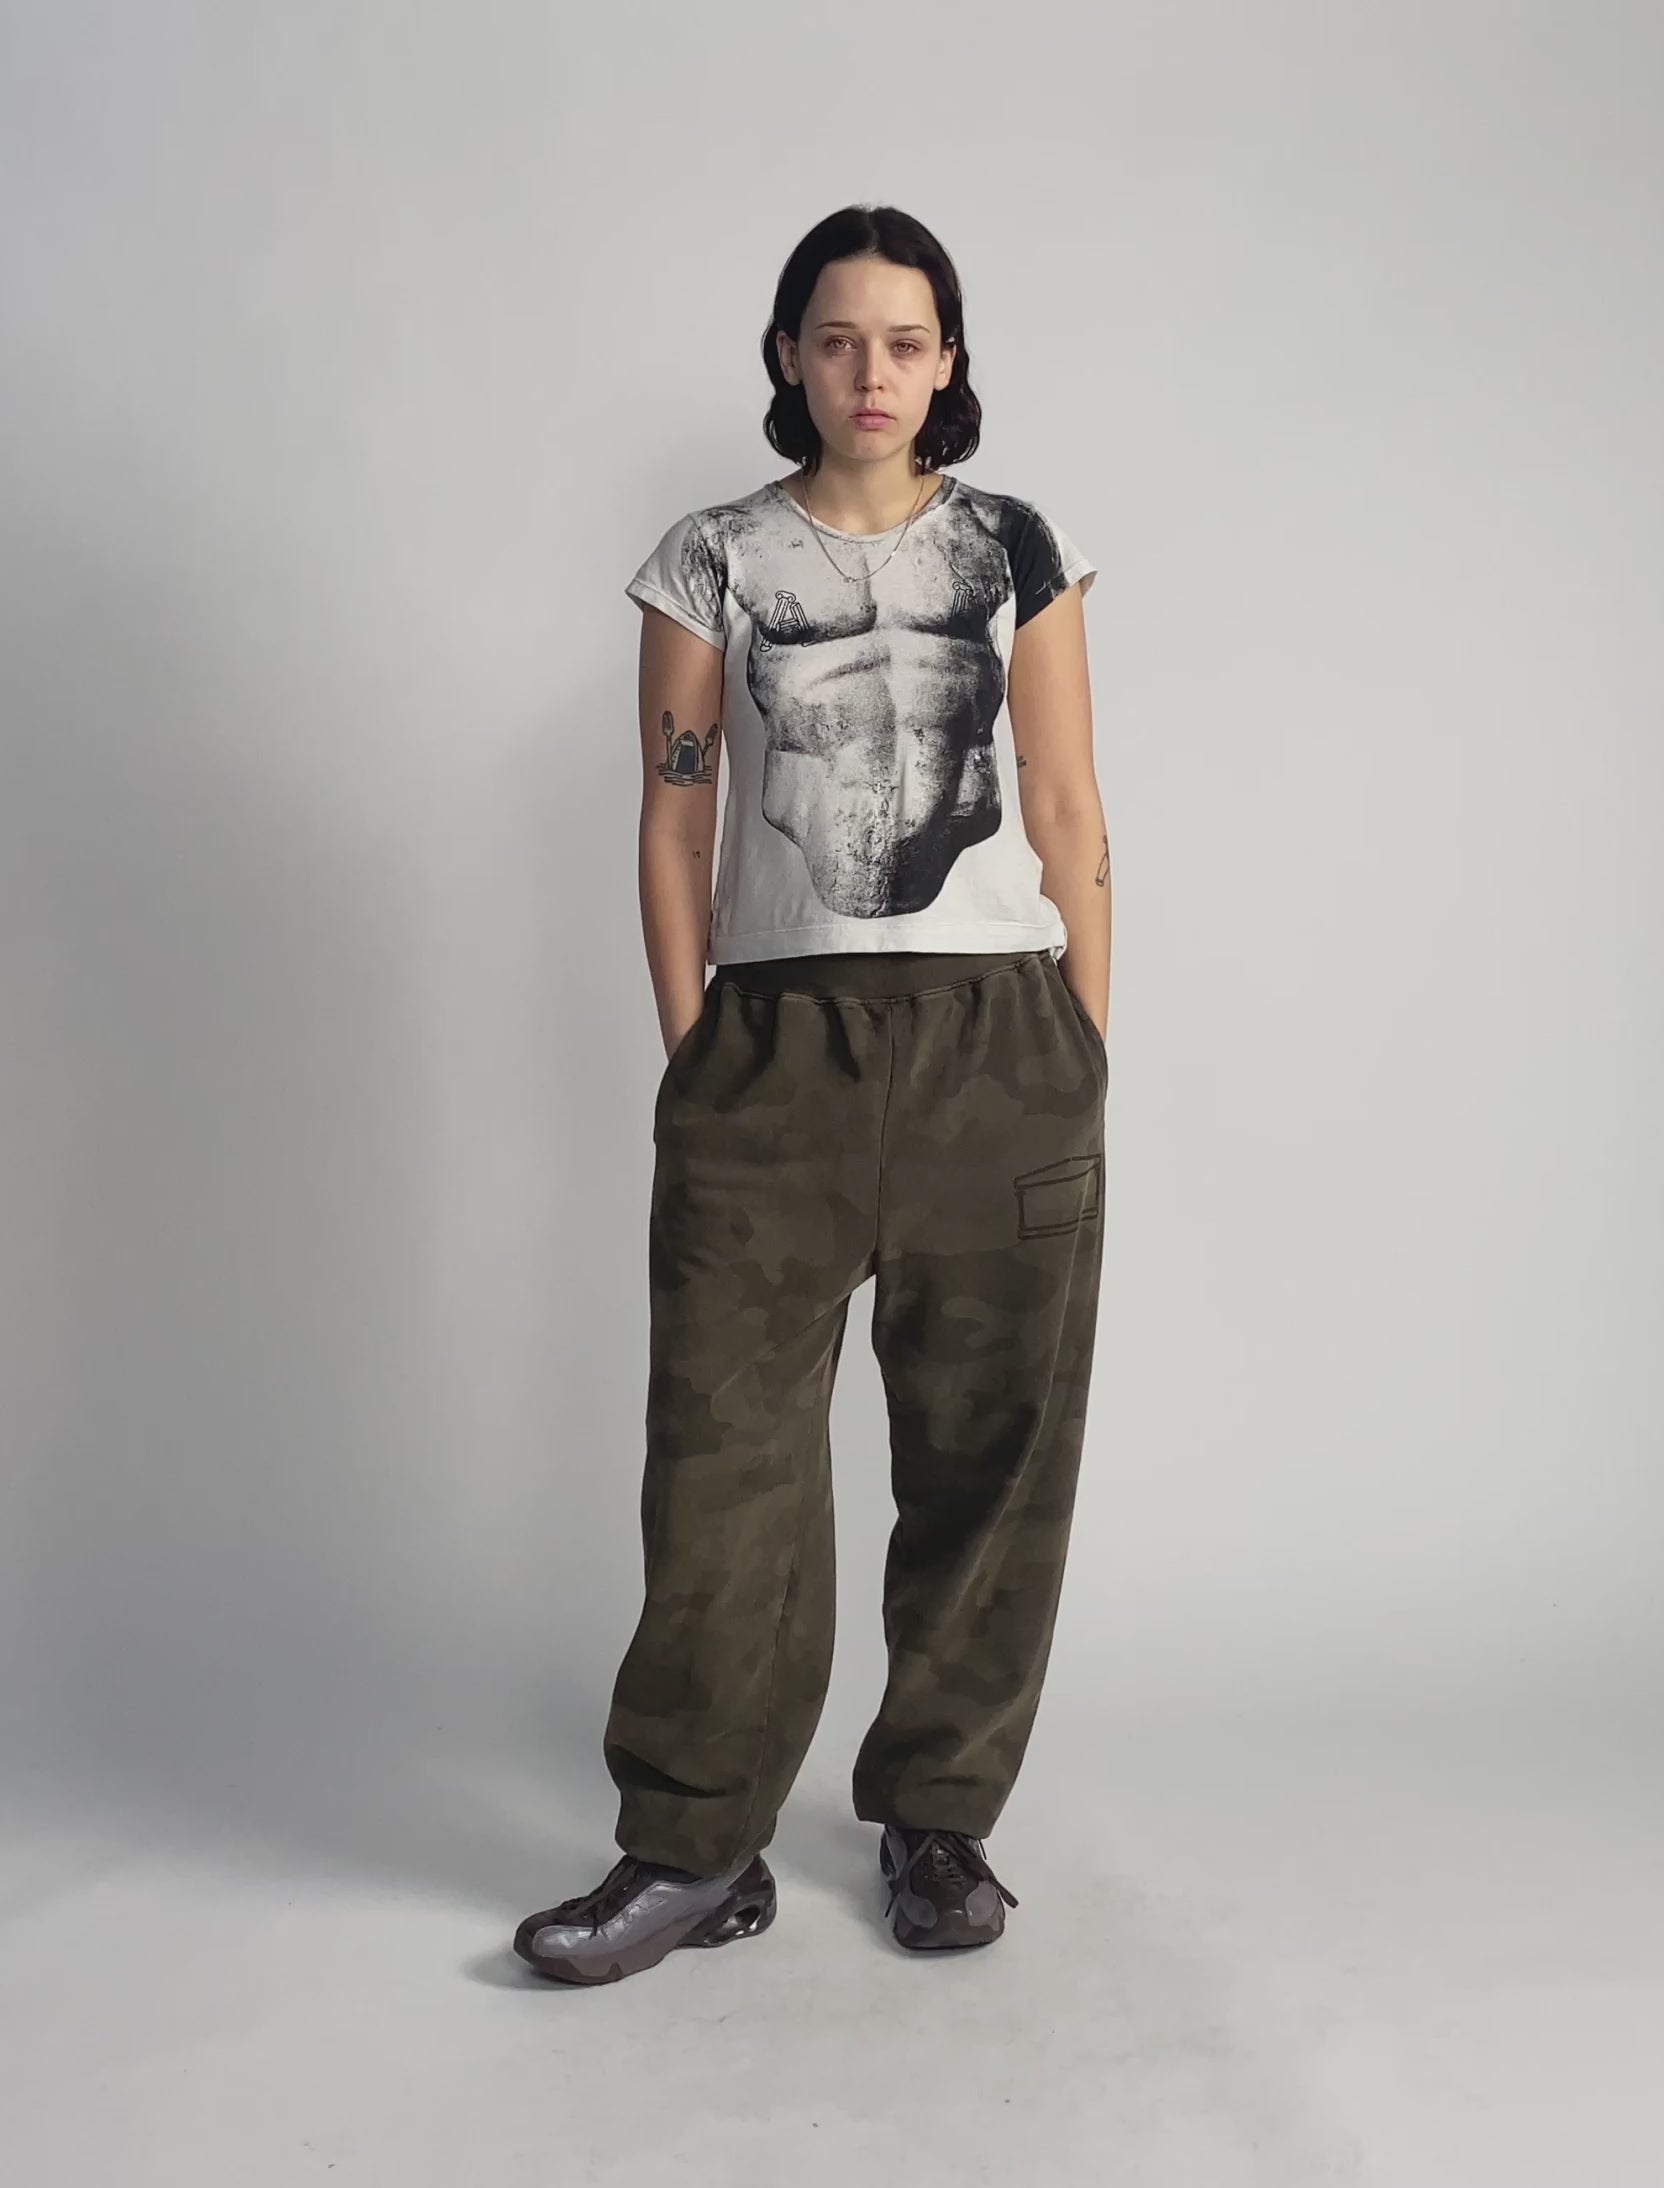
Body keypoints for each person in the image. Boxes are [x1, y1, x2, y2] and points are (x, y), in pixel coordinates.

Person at [514, 203, 1110, 1986]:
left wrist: (1080, 1045)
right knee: (724, 1466)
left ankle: (940, 1823)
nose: (872, 372)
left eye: (906, 341)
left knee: (991, 1457)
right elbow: (673, 807)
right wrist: (697, 1043)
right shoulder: (709, 557)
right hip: (775, 1050)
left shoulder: (1014, 545)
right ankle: (693, 1848)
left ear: (948, 360)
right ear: (789, 354)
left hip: (999, 1042)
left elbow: (1067, 807)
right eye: (839, 338)